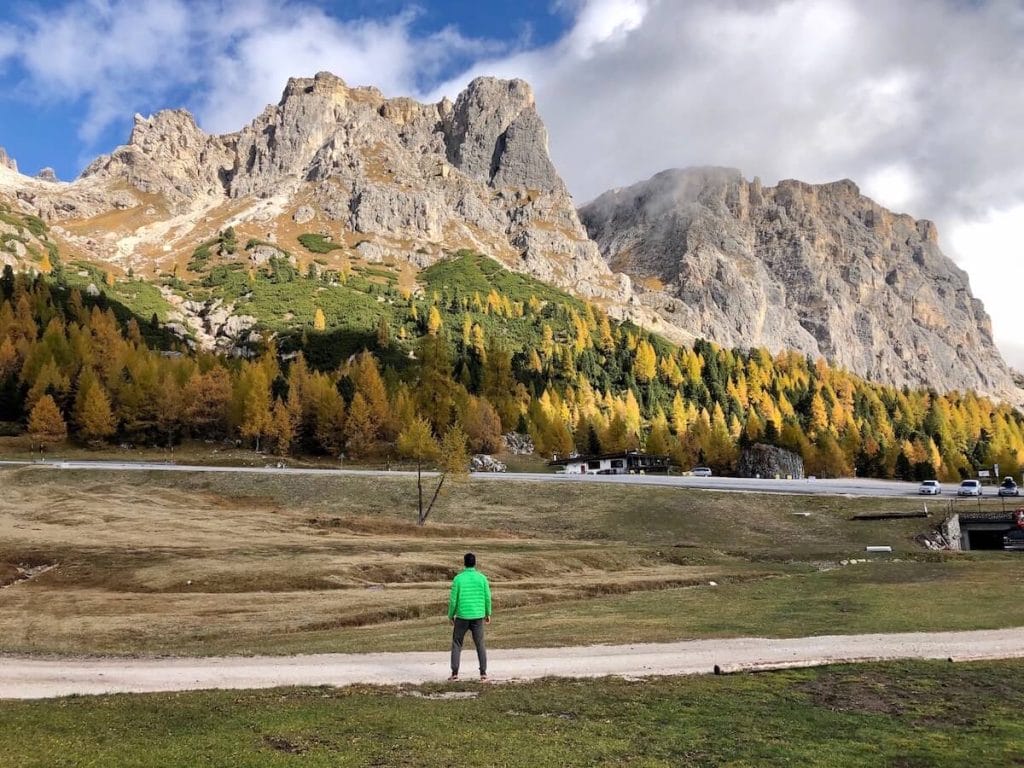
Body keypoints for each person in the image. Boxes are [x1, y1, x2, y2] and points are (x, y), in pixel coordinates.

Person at [447, 552, 492, 681]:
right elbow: (487, 597)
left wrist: (451, 615)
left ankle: (454, 674)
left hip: (462, 616)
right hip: (478, 616)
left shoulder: (458, 579)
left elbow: (453, 600)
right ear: (475, 563)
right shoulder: (482, 578)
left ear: (464, 563)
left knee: (457, 643)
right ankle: (483, 673)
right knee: (480, 644)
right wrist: (488, 613)